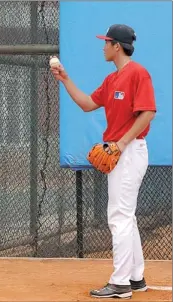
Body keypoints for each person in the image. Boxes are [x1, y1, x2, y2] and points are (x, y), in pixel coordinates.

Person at [50, 24, 156, 299]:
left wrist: (120, 144)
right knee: (126, 216)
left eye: (106, 42)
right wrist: (65, 78)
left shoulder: (137, 73)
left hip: (129, 150)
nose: (103, 46)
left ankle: (120, 283)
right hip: (120, 151)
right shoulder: (112, 80)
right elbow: (86, 103)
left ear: (117, 46)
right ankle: (135, 277)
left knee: (119, 216)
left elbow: (147, 114)